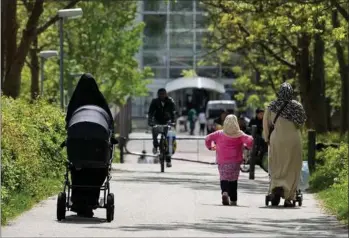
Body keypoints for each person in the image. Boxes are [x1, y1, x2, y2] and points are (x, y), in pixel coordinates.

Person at [65, 73, 114, 217]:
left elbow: (68, 120)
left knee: (78, 172)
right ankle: (91, 200)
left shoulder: (76, 101)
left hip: (78, 147)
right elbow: (109, 121)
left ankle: (78, 201)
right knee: (98, 170)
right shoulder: (100, 100)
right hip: (98, 148)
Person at [263, 82, 306, 207]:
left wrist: (267, 138)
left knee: (276, 164)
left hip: (277, 139)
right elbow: (302, 122)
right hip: (293, 139)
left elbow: (266, 125)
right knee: (293, 166)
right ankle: (289, 196)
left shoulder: (272, 106)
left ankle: (276, 186)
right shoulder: (297, 106)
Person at [205, 115, 254, 206]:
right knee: (233, 179)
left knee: (223, 177)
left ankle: (224, 192)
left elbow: (207, 138)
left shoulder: (219, 133)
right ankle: (233, 199)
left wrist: (210, 147)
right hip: (235, 161)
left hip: (222, 161)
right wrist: (247, 146)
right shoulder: (240, 134)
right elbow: (250, 140)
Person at [148, 88, 176, 168]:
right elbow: (150, 113)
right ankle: (155, 146)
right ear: (158, 95)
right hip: (157, 121)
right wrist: (150, 122)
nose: (162, 96)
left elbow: (173, 112)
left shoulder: (170, 101)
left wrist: (173, 121)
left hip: (167, 121)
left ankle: (168, 160)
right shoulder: (154, 102)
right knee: (154, 131)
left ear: (166, 94)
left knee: (169, 141)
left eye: (163, 94)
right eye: (160, 94)